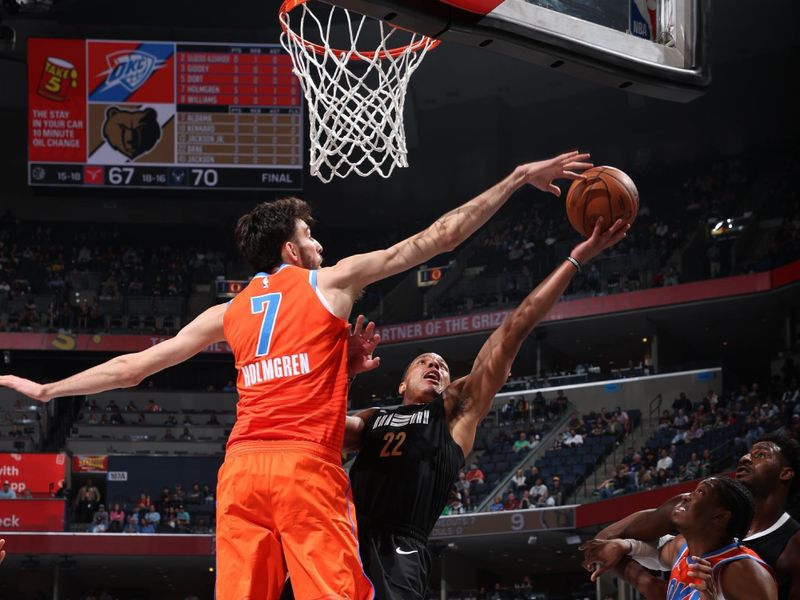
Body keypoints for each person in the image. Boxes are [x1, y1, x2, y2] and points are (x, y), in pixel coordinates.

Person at [0, 149, 593, 600]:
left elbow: (135, 369)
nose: (319, 242)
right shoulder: (329, 282)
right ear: (289, 249)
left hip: (238, 475)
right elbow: (436, 238)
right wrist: (516, 179)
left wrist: (51, 389)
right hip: (302, 468)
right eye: (309, 235)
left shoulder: (225, 311)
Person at [335, 217, 628, 599]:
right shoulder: (374, 419)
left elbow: (514, 329)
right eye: (424, 361)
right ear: (402, 382)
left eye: (441, 365)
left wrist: (575, 259)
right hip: (344, 536)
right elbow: (324, 430)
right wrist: (345, 373)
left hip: (400, 548)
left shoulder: (454, 411)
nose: (435, 366)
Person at [581, 433, 799, 600]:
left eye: (760, 455)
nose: (745, 458)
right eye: (748, 452)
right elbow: (658, 554)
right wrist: (619, 545)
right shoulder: (687, 541)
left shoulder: (749, 566)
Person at [581, 477, 777, 600]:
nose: (686, 497)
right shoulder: (683, 547)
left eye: (700, 492)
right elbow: (658, 556)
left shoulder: (743, 571)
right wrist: (623, 546)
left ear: (720, 517)